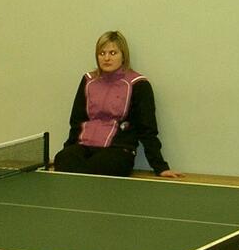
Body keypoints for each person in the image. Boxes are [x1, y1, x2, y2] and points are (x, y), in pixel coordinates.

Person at [53, 30, 182, 178]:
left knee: (101, 166)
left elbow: (148, 129)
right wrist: (67, 151)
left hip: (118, 150)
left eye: (113, 53)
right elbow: (77, 121)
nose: (106, 58)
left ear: (123, 55)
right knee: (63, 160)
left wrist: (160, 167)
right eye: (102, 53)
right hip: (84, 146)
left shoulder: (139, 84)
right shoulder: (88, 80)